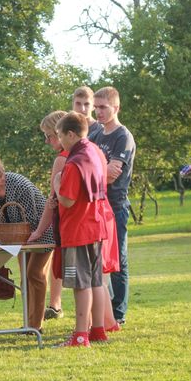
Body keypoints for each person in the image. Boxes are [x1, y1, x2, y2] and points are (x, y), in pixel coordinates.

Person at [0, 152, 54, 332]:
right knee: (25, 278)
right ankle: (29, 323)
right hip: (17, 240)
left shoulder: (20, 185)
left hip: (42, 235)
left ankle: (36, 325)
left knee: (35, 274)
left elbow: (31, 221)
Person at [53, 112, 113, 347]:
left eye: (60, 136)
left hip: (77, 229)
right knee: (96, 281)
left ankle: (80, 335)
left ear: (70, 134)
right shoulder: (95, 152)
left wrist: (57, 183)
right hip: (96, 225)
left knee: (80, 283)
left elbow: (67, 200)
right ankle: (98, 329)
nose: (60, 141)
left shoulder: (74, 161)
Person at [89, 86, 135, 325]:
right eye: (96, 107)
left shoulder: (122, 136)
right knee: (98, 260)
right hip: (97, 205)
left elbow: (112, 174)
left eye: (103, 107)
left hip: (116, 205)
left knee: (118, 259)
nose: (98, 112)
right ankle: (102, 313)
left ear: (116, 107)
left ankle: (118, 313)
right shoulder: (96, 134)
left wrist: (87, 176)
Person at [29, 111, 68, 321]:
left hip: (67, 224)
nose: (47, 141)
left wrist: (38, 232)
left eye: (49, 136)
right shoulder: (89, 152)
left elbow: (52, 200)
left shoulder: (62, 159)